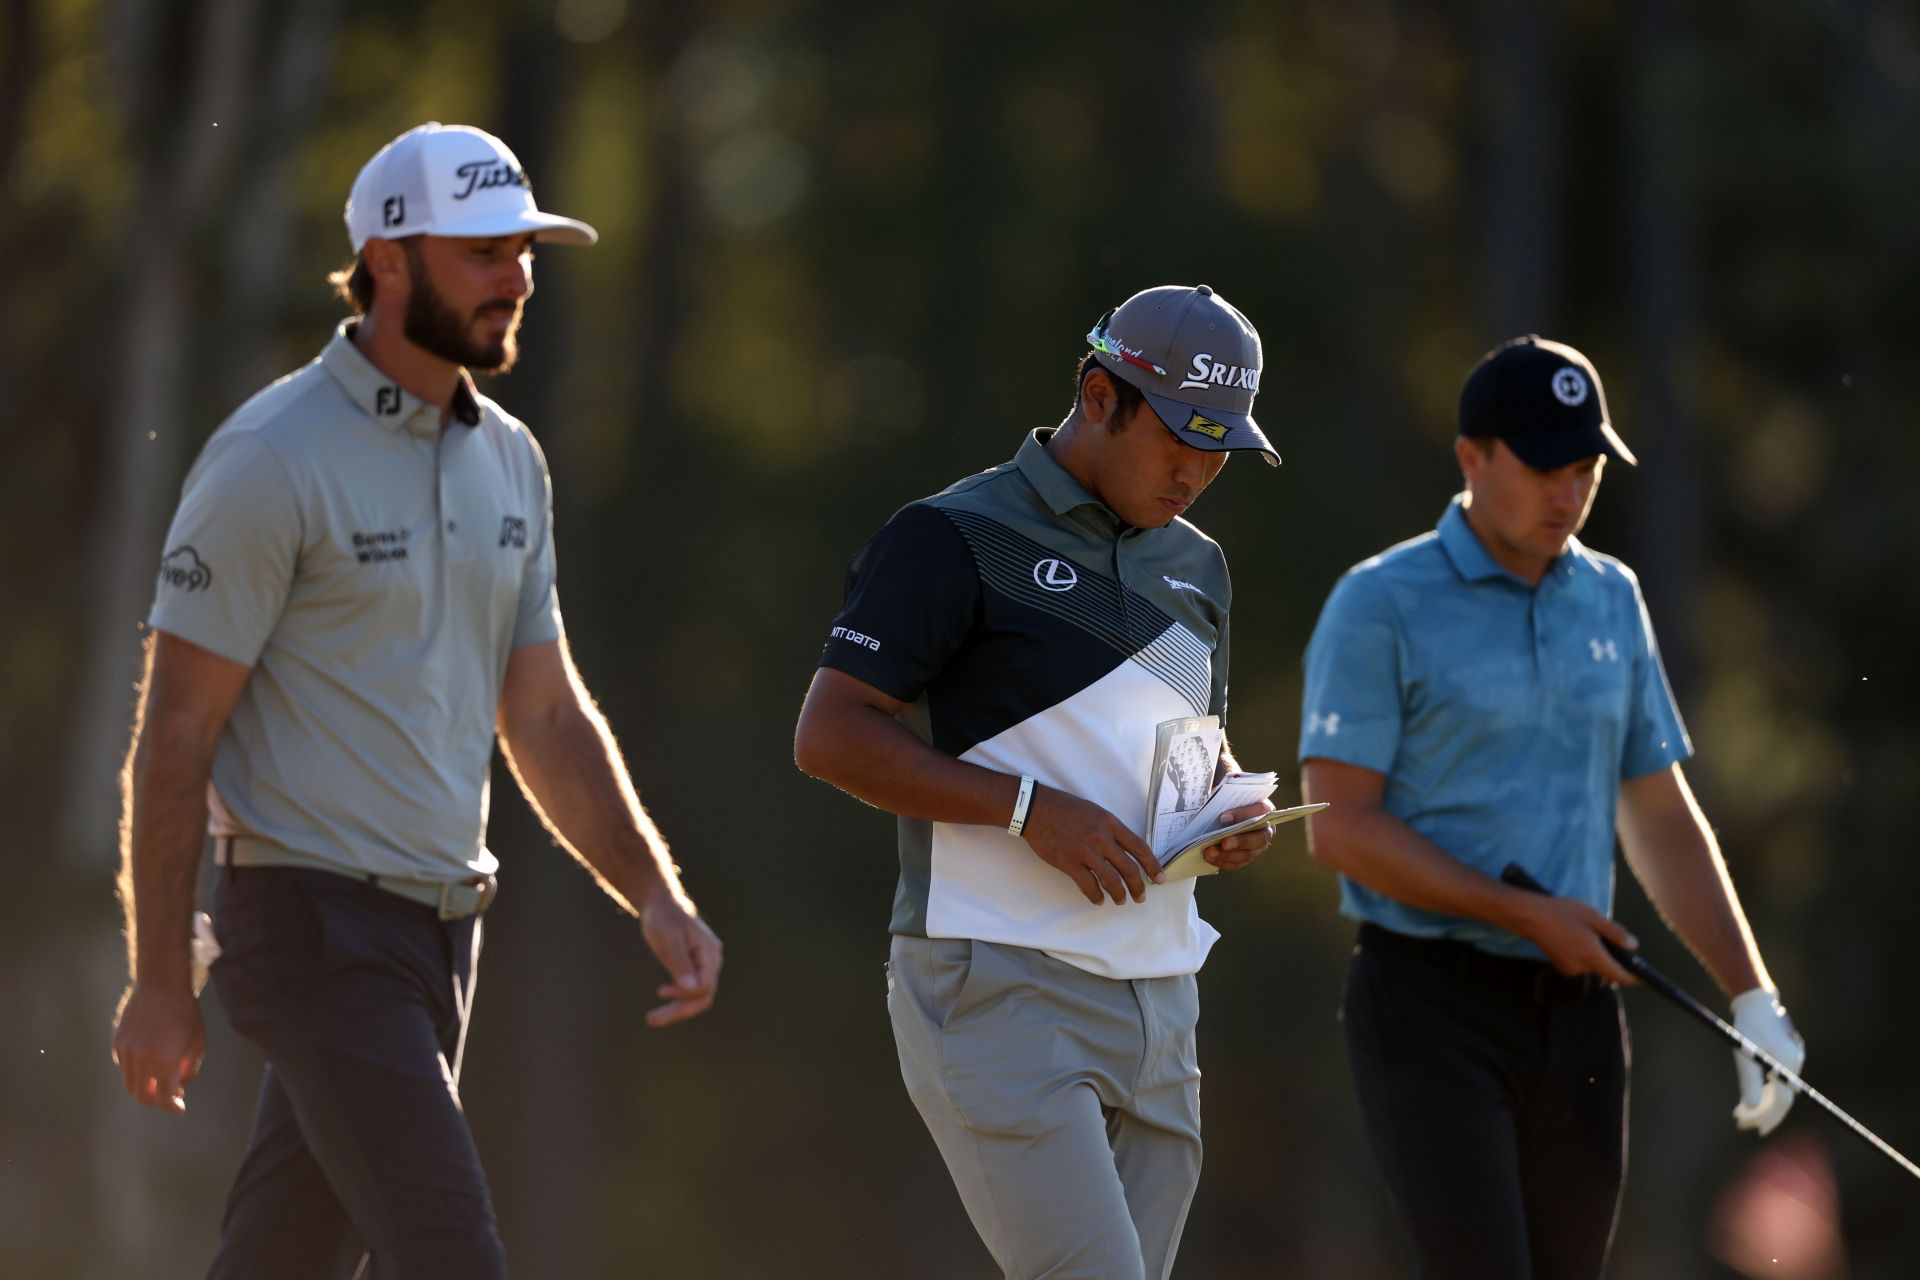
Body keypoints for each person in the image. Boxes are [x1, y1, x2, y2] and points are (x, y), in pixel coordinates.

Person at [109, 122, 723, 1279]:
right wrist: (153, 980)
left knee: (281, 1257)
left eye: (527, 251)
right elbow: (175, 735)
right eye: (485, 250)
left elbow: (542, 714)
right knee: (450, 1253)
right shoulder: (274, 456)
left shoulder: (511, 461)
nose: (518, 277)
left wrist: (652, 891)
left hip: (443, 934)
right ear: (387, 260)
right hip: (307, 925)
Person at [794, 285, 1284, 1280]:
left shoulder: (1201, 565)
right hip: (1000, 982)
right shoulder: (952, 535)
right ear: (1099, 395)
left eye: (1222, 445)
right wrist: (1025, 809)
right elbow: (830, 734)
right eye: (1182, 436)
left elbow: (1185, 746)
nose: (1199, 469)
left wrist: (1224, 811)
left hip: (1160, 996)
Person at [1298, 334, 1805, 1279]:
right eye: (1541, 468)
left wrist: (1751, 993)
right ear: (1471, 458)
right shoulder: (1381, 603)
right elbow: (1338, 824)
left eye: (1584, 470)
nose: (1567, 496)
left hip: (1577, 1015)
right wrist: (1524, 913)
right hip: (1427, 1003)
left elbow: (1658, 814)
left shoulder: (1612, 599)